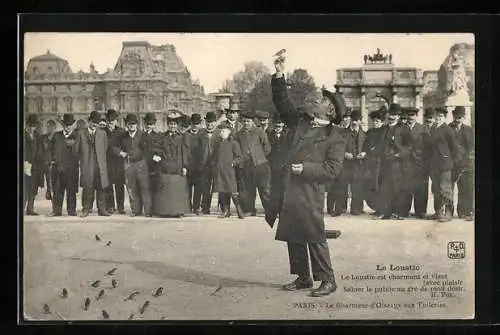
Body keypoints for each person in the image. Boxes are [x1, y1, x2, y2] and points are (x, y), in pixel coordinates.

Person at [271, 56, 345, 297]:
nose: (318, 100)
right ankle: (303, 277)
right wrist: (280, 74)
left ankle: (328, 279)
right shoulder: (301, 121)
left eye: (323, 100)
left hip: (310, 192)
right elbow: (282, 103)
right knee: (294, 233)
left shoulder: (335, 136)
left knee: (314, 234)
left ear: (330, 111)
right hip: (289, 188)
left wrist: (306, 169)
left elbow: (332, 170)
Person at [374, 104, 413, 220]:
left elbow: (410, 147)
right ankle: (385, 212)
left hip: (398, 164)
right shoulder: (383, 129)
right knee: (384, 188)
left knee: (398, 188)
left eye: (395, 115)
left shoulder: (404, 129)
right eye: (390, 114)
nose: (392, 117)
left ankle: (399, 212)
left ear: (398, 116)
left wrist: (399, 154)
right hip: (384, 163)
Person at [152, 112, 190, 217]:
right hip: (165, 166)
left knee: (177, 191)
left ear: (177, 125)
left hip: (177, 167)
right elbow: (158, 149)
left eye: (174, 124)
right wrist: (157, 156)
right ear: (167, 125)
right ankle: (164, 212)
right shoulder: (162, 137)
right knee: (165, 190)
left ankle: (178, 212)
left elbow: (185, 152)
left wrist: (185, 166)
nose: (172, 126)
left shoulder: (182, 137)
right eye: (170, 124)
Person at [234, 110, 272, 216]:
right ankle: (250, 210)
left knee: (265, 188)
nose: (246, 123)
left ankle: (270, 210)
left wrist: (260, 157)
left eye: (249, 121)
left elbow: (267, 147)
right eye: (244, 121)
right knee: (247, 189)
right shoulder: (238, 134)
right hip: (245, 165)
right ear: (242, 122)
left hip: (260, 165)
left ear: (253, 122)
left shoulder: (259, 131)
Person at [115, 113, 152, 217]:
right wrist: (120, 153)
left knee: (144, 187)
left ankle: (147, 211)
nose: (131, 126)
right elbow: (114, 146)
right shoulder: (123, 136)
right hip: (128, 164)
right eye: (129, 124)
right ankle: (136, 210)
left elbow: (148, 149)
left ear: (137, 125)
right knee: (131, 188)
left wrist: (141, 157)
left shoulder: (143, 135)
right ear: (126, 125)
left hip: (141, 164)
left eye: (133, 124)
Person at [74, 111, 110, 217]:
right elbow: (76, 150)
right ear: (88, 121)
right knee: (87, 187)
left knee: (101, 188)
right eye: (93, 122)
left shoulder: (102, 134)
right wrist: (83, 161)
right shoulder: (81, 133)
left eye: (97, 123)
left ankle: (102, 210)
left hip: (100, 165)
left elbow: (105, 148)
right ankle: (86, 209)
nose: (95, 124)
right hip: (87, 165)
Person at [427, 108, 460, 222]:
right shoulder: (433, 129)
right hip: (434, 164)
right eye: (437, 116)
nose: (438, 118)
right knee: (435, 188)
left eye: (441, 116)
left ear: (445, 117)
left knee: (445, 188)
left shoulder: (448, 130)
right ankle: (438, 212)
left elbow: (455, 148)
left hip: (445, 164)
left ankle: (448, 212)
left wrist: (451, 162)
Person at [333, 109, 366, 216]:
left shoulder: (364, 135)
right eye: (353, 119)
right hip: (345, 165)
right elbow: (336, 147)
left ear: (361, 121)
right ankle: (340, 209)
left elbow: (368, 149)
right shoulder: (342, 133)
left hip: (358, 165)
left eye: (357, 120)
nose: (355, 122)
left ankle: (356, 209)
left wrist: (364, 154)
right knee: (341, 186)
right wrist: (344, 154)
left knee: (357, 187)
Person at [400, 107, 430, 219]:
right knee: (405, 187)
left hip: (420, 162)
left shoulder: (423, 129)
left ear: (416, 116)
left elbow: (428, 147)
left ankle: (420, 211)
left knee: (420, 187)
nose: (410, 117)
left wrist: (424, 160)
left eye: (413, 115)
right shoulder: (401, 129)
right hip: (406, 161)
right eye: (409, 115)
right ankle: (404, 210)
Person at [48, 113, 79, 217]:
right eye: (66, 124)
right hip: (58, 168)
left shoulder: (77, 136)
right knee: (57, 191)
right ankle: (56, 211)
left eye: (70, 124)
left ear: (73, 125)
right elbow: (49, 150)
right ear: (63, 125)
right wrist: (52, 160)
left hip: (72, 169)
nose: (68, 126)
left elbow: (81, 151)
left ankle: (71, 211)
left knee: (71, 191)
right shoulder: (56, 136)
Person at [212, 125, 245, 219]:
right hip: (219, 171)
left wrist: (233, 163)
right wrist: (214, 166)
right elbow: (214, 157)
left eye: (223, 131)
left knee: (232, 190)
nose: (221, 133)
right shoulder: (218, 143)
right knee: (222, 190)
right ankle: (225, 211)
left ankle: (239, 210)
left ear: (229, 132)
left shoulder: (233, 143)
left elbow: (239, 157)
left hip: (229, 171)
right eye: (221, 131)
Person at [448, 106, 474, 221]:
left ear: (463, 117)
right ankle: (448, 211)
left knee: (466, 188)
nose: (457, 119)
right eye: (455, 116)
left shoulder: (469, 130)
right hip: (452, 163)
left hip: (465, 164)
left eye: (460, 117)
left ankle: (465, 211)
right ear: (453, 116)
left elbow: (472, 146)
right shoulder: (448, 128)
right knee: (448, 189)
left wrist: (466, 157)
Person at [362, 110, 386, 215]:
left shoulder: (385, 132)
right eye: (374, 121)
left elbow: (383, 147)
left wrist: (373, 151)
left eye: (378, 121)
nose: (376, 123)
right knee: (370, 185)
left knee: (379, 186)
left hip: (380, 163)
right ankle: (375, 207)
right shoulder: (370, 132)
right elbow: (365, 145)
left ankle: (381, 209)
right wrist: (365, 152)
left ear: (382, 122)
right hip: (369, 163)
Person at [196, 112, 220, 215]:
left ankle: (224, 208)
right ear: (205, 122)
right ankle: (205, 207)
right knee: (205, 186)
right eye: (208, 121)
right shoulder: (201, 134)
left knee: (221, 186)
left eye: (212, 122)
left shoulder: (220, 133)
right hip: (204, 164)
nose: (210, 124)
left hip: (217, 164)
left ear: (215, 122)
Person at [104, 109, 126, 215]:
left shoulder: (122, 132)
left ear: (116, 121)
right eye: (108, 120)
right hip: (107, 162)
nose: (110, 122)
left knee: (119, 185)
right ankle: (110, 206)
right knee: (108, 186)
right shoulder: (102, 132)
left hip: (119, 163)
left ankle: (120, 206)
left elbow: (125, 146)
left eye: (112, 120)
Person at [24, 114, 45, 216]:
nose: (32, 127)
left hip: (35, 166)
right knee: (24, 188)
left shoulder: (38, 136)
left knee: (33, 188)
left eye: (34, 125)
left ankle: (30, 209)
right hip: (25, 165)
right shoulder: (22, 135)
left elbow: (41, 150)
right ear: (27, 125)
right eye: (30, 125)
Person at [184, 113, 203, 214]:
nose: (195, 125)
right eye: (194, 123)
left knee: (198, 188)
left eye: (197, 123)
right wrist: (184, 165)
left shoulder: (202, 134)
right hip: (189, 165)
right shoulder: (186, 135)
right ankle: (188, 206)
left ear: (200, 124)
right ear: (190, 123)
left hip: (199, 165)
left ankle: (196, 207)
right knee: (187, 187)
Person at [41, 119, 57, 202]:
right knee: (48, 180)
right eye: (47, 127)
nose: (49, 128)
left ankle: (53, 197)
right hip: (45, 163)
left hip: (55, 163)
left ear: (55, 127)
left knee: (54, 183)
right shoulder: (43, 138)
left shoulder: (57, 137)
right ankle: (49, 192)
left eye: (51, 126)